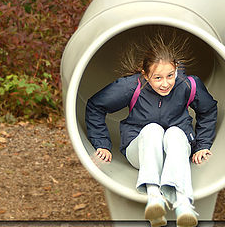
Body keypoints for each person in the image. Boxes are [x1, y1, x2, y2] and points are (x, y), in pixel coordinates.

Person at [85, 29, 217, 227]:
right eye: (158, 78)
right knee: (153, 129)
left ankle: (183, 203)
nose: (165, 84)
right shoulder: (132, 86)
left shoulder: (188, 85)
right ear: (146, 75)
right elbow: (96, 105)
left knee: (174, 133)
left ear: (176, 69)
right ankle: (154, 196)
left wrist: (202, 146)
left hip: (177, 149)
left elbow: (208, 110)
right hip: (141, 150)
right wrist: (102, 143)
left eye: (170, 75)